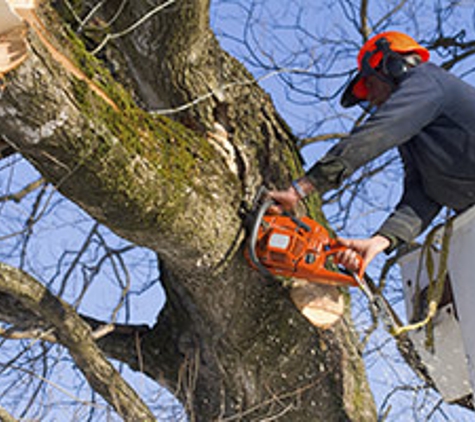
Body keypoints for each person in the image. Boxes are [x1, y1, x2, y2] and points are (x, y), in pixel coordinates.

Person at [270, 31, 475, 272]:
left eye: (370, 85)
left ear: (393, 65)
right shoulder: (417, 134)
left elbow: (376, 134)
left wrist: (301, 188)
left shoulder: (428, 81)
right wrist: (380, 241)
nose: (372, 98)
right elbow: (423, 195)